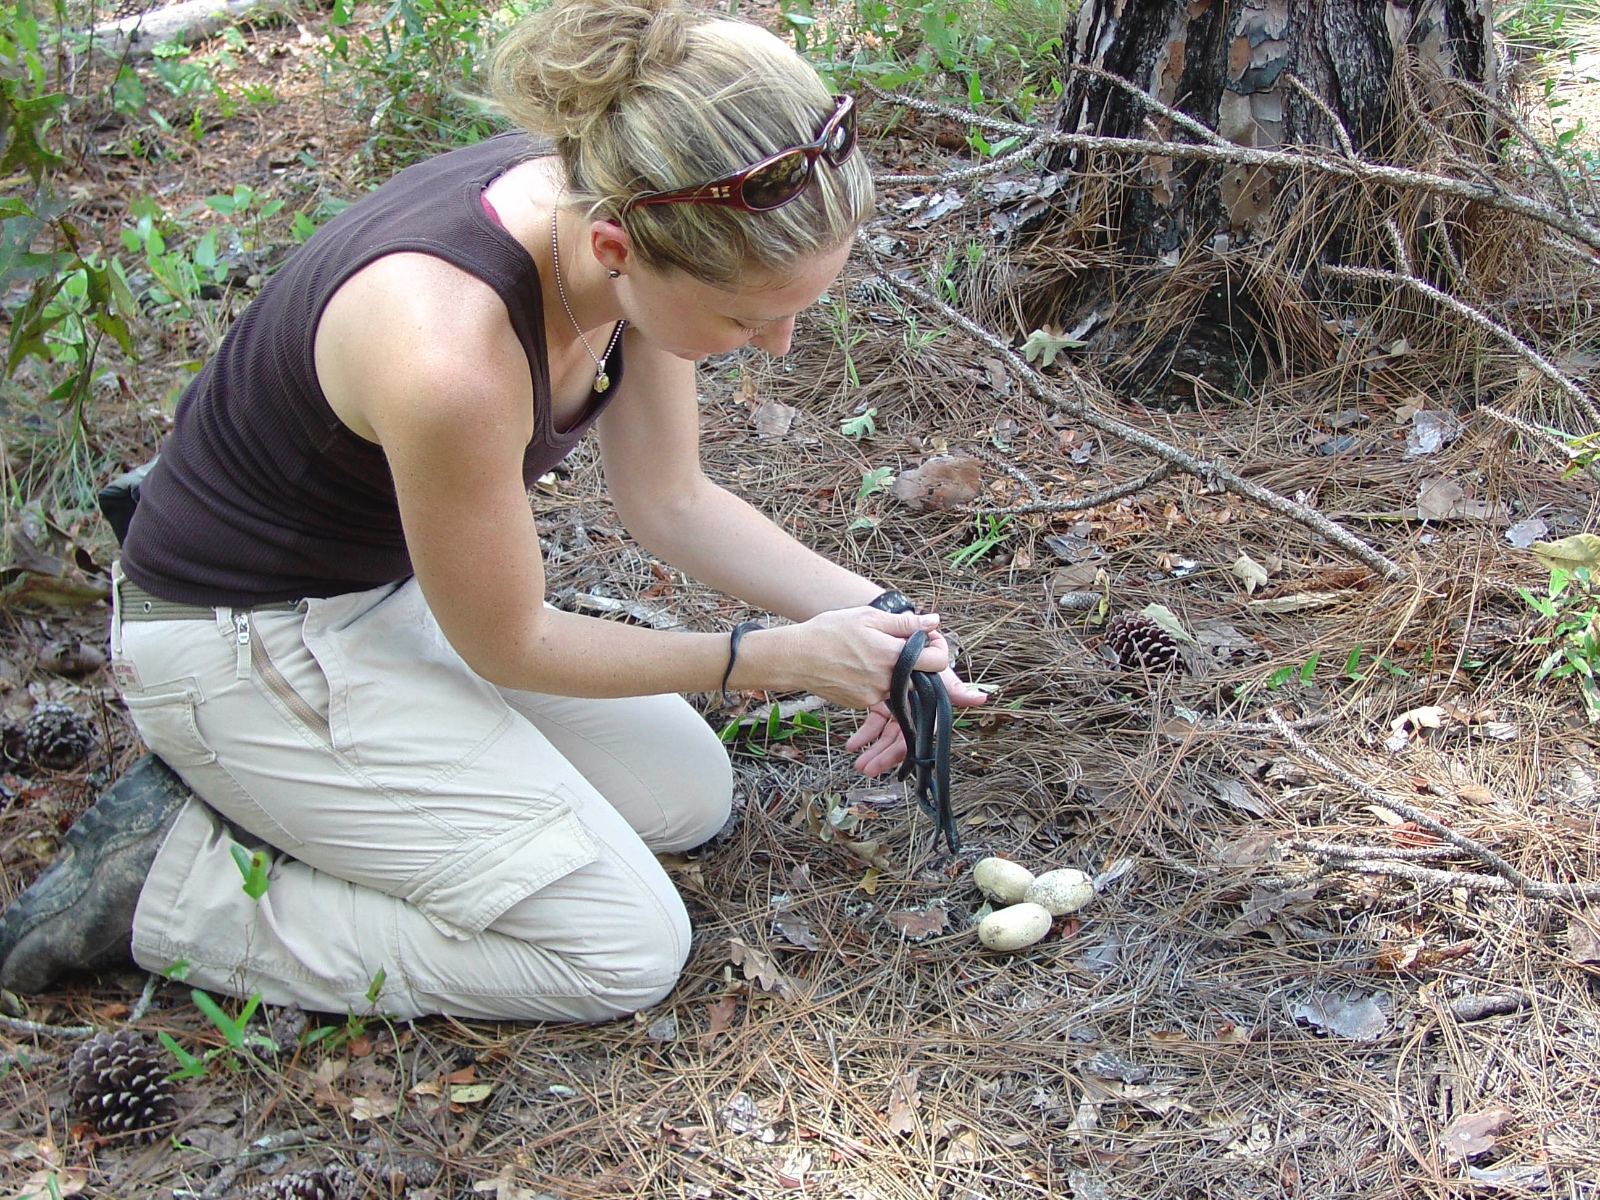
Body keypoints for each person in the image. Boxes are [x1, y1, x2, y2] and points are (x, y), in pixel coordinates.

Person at [0, 0, 984, 1022]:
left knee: (685, 795)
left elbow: (673, 500)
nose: (776, 345)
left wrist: (879, 615)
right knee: (621, 950)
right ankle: (173, 886)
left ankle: (320, 801)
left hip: (387, 592)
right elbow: (510, 640)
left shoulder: (631, 212)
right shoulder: (447, 354)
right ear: (617, 242)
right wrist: (767, 660)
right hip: (237, 643)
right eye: (747, 315)